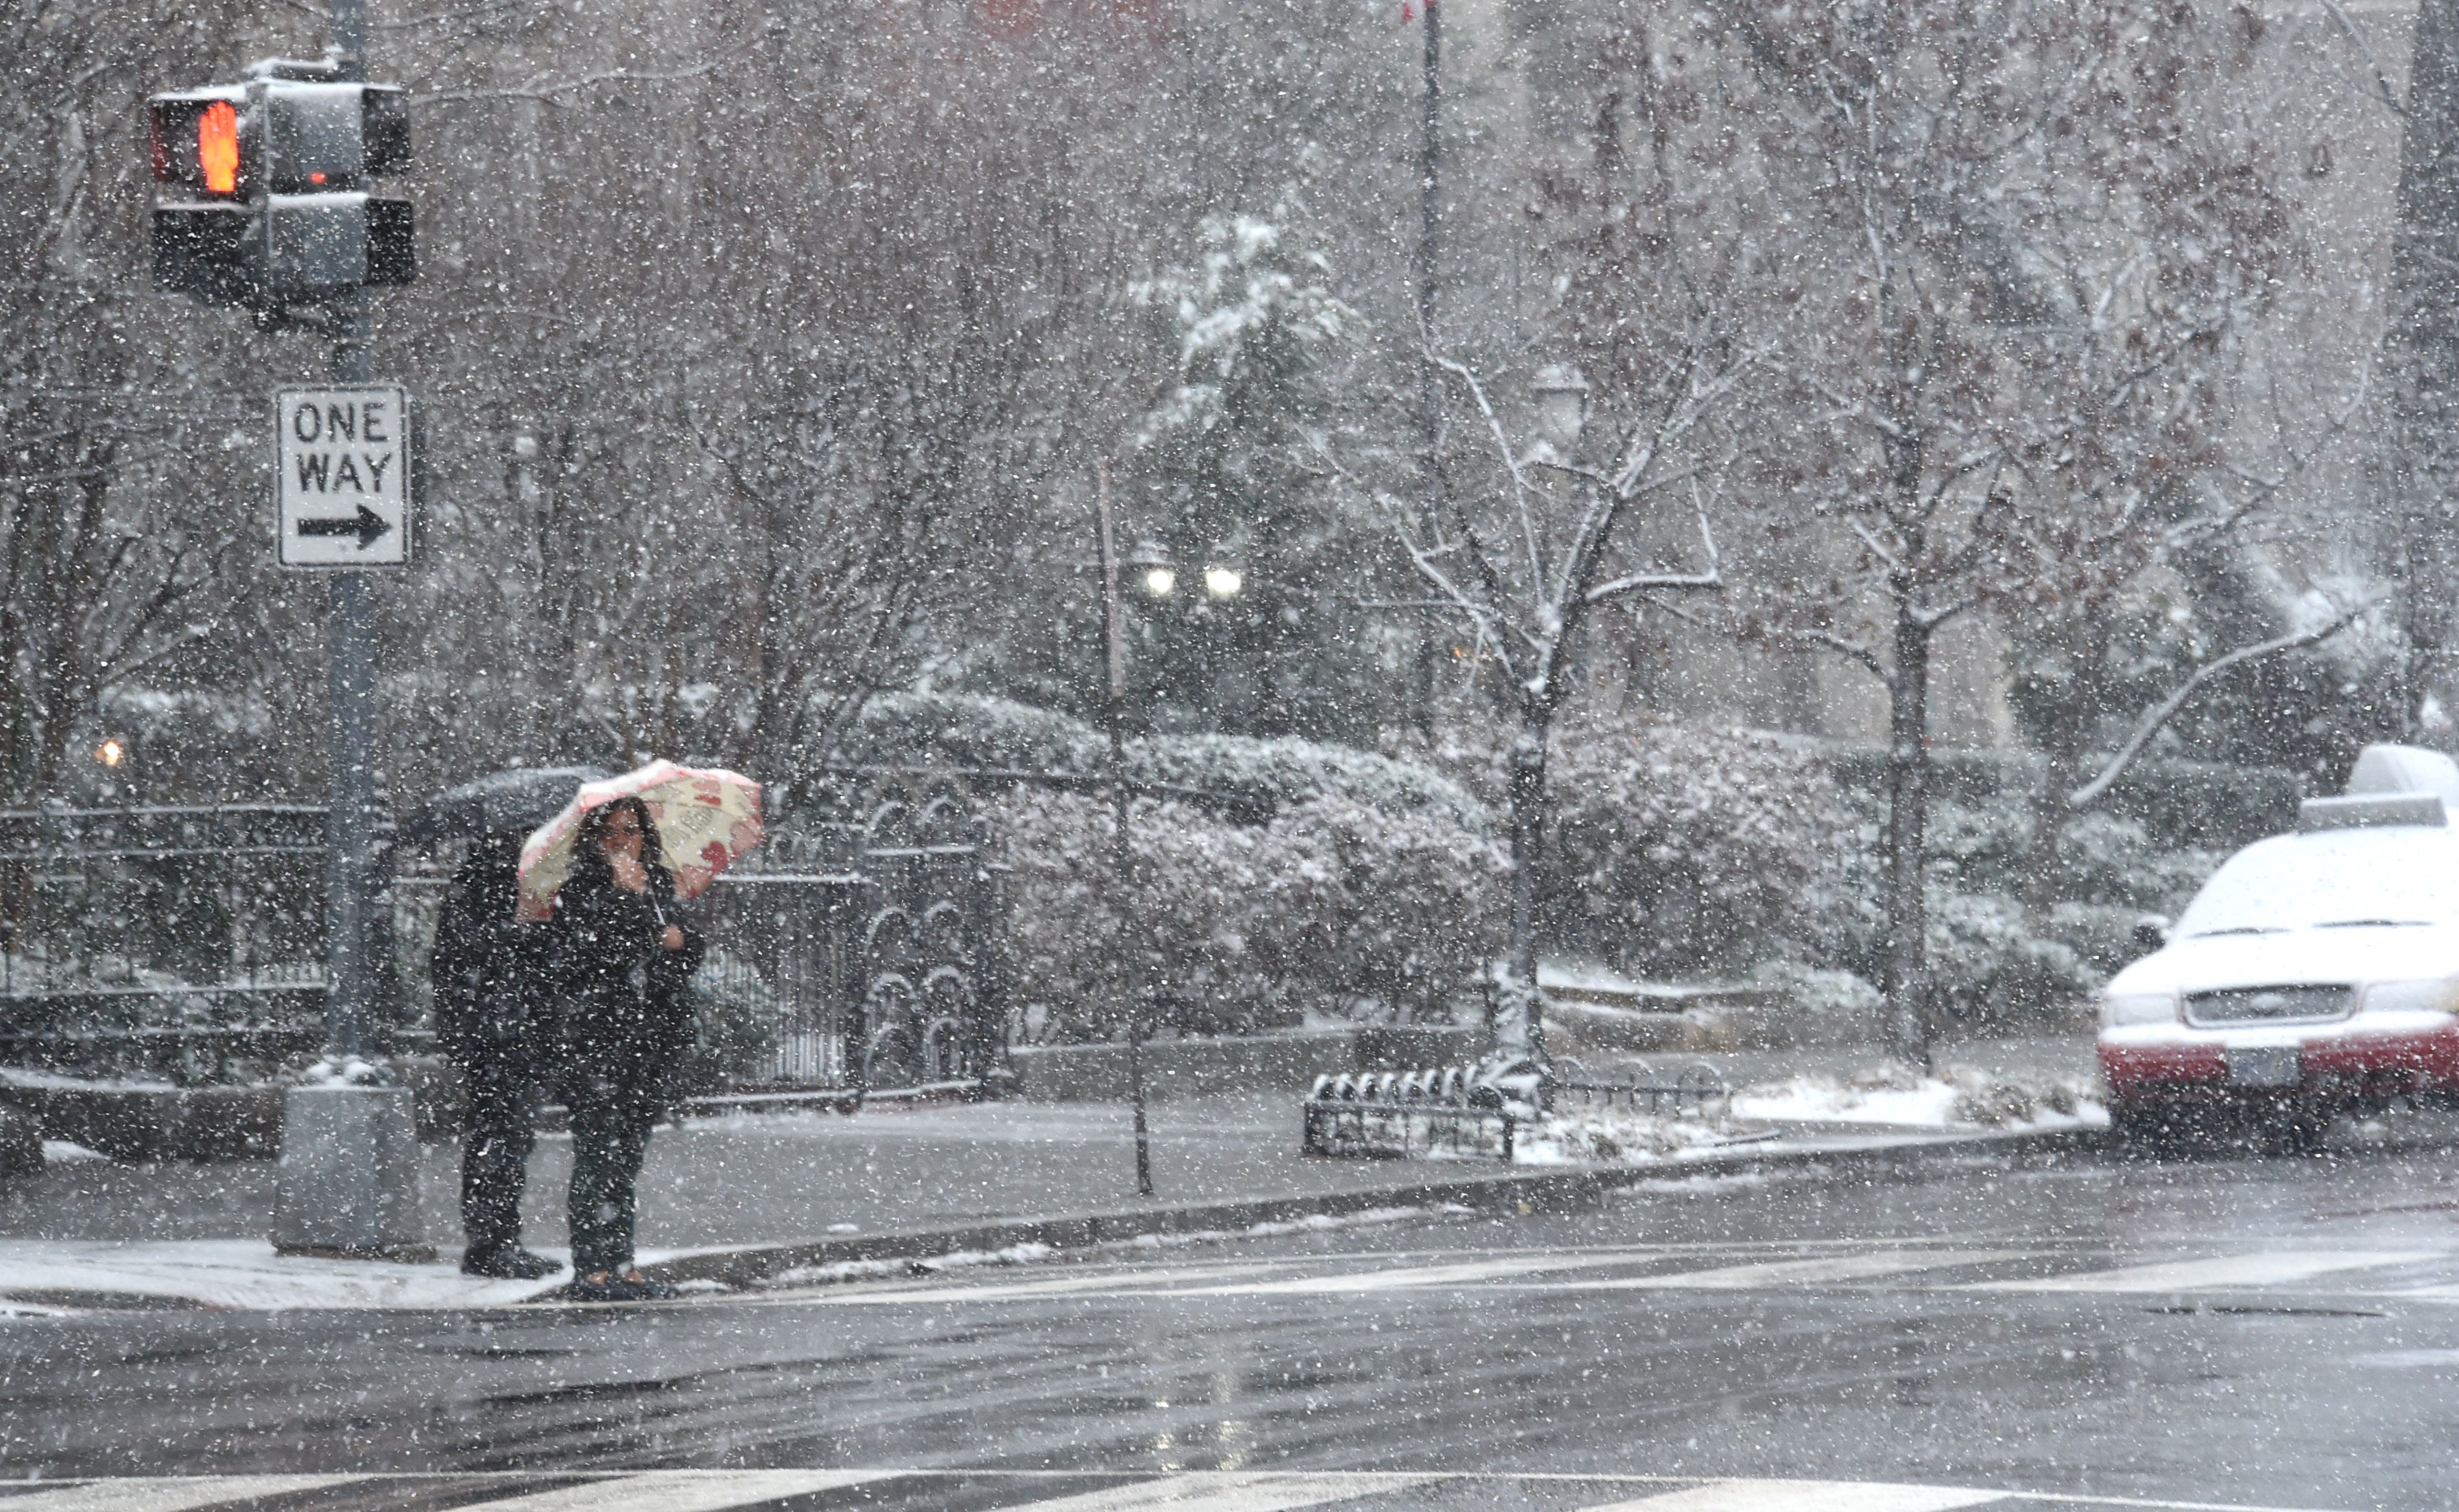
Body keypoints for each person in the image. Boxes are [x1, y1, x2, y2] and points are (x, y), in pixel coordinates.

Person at [549, 795, 703, 1302]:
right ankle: (591, 1268)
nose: (621, 842)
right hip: (597, 1042)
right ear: (593, 842)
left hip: (650, 1041)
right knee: (597, 1153)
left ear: (645, 836)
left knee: (627, 1157)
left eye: (630, 830)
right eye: (609, 833)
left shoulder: (660, 886)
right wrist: (622, 899)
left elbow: (677, 960)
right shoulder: (577, 892)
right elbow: (588, 959)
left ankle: (623, 1262)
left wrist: (682, 943)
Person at [429, 831, 559, 1279]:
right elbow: (461, 960)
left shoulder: (530, 883)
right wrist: (519, 929)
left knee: (511, 1140)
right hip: (495, 1036)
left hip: (517, 1034)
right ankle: (489, 1243)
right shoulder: (481, 884)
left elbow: (542, 962)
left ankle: (502, 1238)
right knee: (497, 1139)